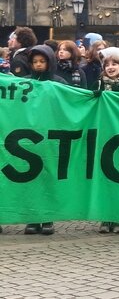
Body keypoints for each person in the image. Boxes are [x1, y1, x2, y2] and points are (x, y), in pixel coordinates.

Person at [23, 45, 67, 235]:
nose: (39, 65)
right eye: (35, 62)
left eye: (42, 61)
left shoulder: (58, 82)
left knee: (48, 177)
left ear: (49, 62)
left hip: (50, 138)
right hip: (28, 139)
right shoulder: (24, 83)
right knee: (30, 178)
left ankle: (47, 218)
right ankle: (32, 218)